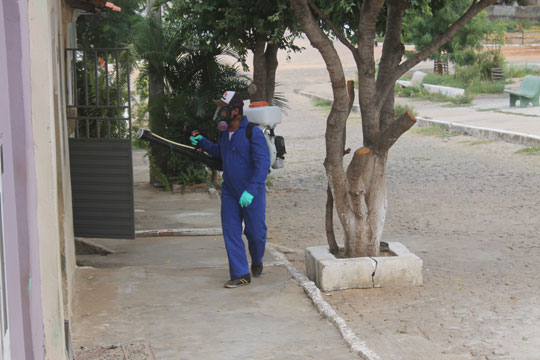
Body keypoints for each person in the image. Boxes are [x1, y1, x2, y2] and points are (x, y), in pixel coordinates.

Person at [190, 91, 270, 288]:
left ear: (235, 111)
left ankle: (257, 258)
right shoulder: (225, 134)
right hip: (230, 192)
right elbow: (220, 152)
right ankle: (240, 274)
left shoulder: (253, 133)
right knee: (231, 232)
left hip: (252, 192)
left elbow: (262, 164)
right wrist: (202, 142)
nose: (220, 113)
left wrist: (251, 190)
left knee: (255, 233)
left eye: (223, 109)